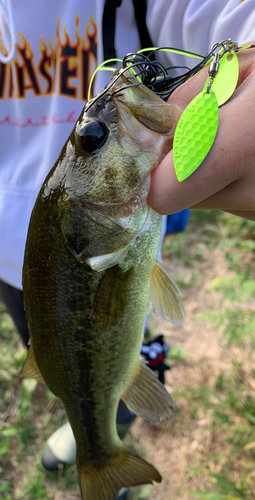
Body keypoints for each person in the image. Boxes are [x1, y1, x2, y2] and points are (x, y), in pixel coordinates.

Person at [1, 1, 255, 498]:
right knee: (65, 359)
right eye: (95, 137)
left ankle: (100, 436)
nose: (102, 123)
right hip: (11, 265)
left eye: (89, 136)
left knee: (110, 358)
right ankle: (92, 438)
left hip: (93, 261)